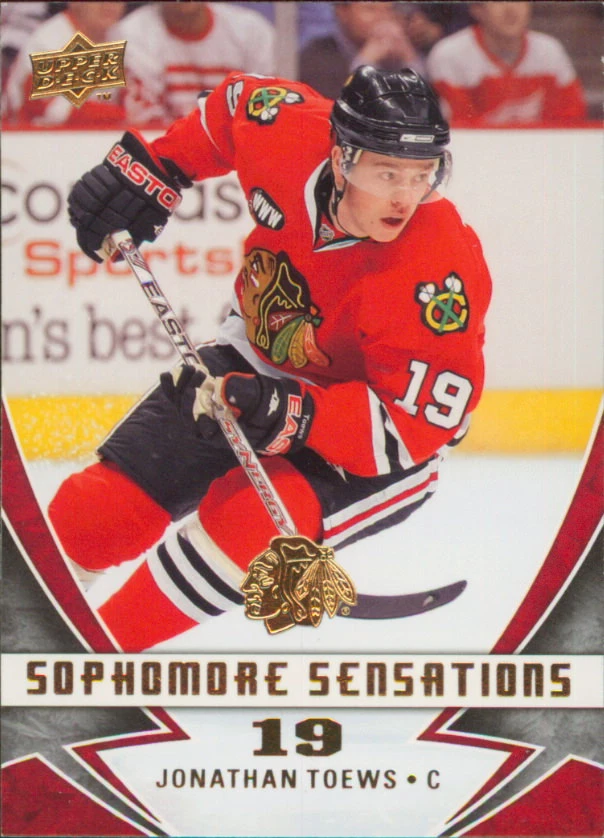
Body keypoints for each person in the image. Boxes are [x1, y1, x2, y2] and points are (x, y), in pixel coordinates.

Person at [49, 66, 492, 651]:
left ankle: (97, 656)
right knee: (97, 513)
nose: (405, 197)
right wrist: (161, 167)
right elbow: (233, 104)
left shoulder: (438, 269)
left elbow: (413, 427)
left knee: (248, 519)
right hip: (254, 361)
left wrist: (297, 415)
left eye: (422, 174)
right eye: (388, 173)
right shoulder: (289, 131)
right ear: (341, 158)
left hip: (377, 441)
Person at [113, 1, 275, 125]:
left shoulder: (252, 31)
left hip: (239, 150)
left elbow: (271, 112)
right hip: (169, 153)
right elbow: (145, 126)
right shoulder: (129, 34)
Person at [425, 1, 586, 125]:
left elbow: (571, 120)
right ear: (477, 9)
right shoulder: (449, 54)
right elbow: (460, 128)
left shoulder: (550, 50)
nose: (511, 9)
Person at [3, 2, 126, 127]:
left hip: (92, 132)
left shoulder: (117, 35)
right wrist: (121, 116)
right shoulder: (49, 41)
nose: (110, 4)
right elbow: (52, 112)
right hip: (29, 132)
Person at [300, 1, 423, 100]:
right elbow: (335, 107)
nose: (382, 18)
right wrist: (366, 61)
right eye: (370, 9)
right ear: (342, 12)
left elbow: (424, 104)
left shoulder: (408, 47)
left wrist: (410, 59)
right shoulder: (317, 55)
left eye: (389, 10)